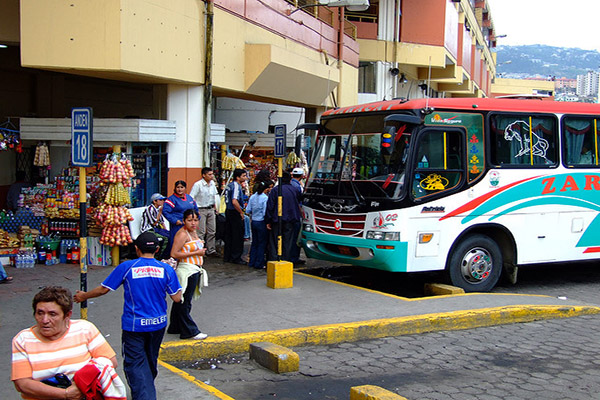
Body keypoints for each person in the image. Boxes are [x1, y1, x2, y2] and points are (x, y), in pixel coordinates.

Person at [74, 232, 182, 400]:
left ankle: (145, 395)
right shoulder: (166, 269)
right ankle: (145, 391)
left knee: (135, 365)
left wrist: (83, 296)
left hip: (134, 326)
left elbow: (104, 289)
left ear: (137, 249)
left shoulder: (128, 267)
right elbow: (177, 297)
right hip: (158, 324)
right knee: (150, 361)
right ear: (158, 249)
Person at [12, 286, 126, 400]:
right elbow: (22, 384)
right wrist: (65, 393)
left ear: (67, 315)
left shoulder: (84, 329)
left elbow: (109, 361)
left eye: (52, 314)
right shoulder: (23, 340)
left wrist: (82, 382)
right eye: (40, 313)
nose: (45, 320)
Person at [167, 208, 208, 340]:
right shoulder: (182, 234)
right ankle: (189, 331)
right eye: (190, 220)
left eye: (195, 220)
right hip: (187, 270)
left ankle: (175, 327)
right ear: (184, 221)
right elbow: (174, 253)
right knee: (185, 301)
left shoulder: (194, 233)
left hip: (195, 269)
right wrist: (196, 253)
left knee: (182, 300)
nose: (193, 223)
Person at [265, 172, 303, 264]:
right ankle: (285, 259)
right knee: (287, 241)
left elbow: (270, 206)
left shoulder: (275, 190)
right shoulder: (294, 190)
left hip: (277, 219)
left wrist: (268, 220)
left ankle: (274, 259)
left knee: (274, 241)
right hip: (290, 219)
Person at [162, 180, 199, 257]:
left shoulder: (189, 198)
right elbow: (165, 211)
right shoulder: (171, 199)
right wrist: (175, 220)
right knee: (177, 243)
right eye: (178, 187)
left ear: (185, 188)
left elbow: (196, 210)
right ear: (175, 188)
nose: (180, 189)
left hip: (190, 225)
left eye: (182, 187)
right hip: (178, 226)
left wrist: (196, 219)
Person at [189, 167, 219, 256]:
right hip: (200, 209)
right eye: (209, 174)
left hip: (210, 209)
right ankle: (200, 249)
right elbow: (192, 198)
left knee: (212, 231)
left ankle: (211, 249)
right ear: (204, 175)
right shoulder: (198, 185)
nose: (211, 176)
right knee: (201, 231)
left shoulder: (212, 184)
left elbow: (215, 195)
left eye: (212, 174)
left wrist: (216, 206)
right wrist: (195, 210)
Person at [246, 180, 273, 269]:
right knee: (262, 243)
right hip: (261, 222)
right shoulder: (265, 198)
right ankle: (259, 263)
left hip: (253, 221)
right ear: (265, 189)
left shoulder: (252, 197)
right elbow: (265, 212)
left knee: (255, 242)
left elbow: (248, 210)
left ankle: (252, 261)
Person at [223, 168, 248, 265]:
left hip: (228, 211)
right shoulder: (236, 186)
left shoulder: (229, 185)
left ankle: (228, 256)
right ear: (238, 177)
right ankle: (236, 257)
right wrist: (241, 212)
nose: (245, 178)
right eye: (243, 176)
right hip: (234, 212)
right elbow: (234, 201)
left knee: (229, 235)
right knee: (237, 236)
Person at [141, 192, 169, 258]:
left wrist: (166, 231)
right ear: (155, 201)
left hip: (157, 229)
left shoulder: (157, 209)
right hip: (149, 230)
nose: (163, 201)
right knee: (166, 238)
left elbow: (162, 222)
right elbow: (154, 223)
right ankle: (160, 256)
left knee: (171, 235)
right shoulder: (149, 209)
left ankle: (167, 254)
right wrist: (160, 212)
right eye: (161, 200)